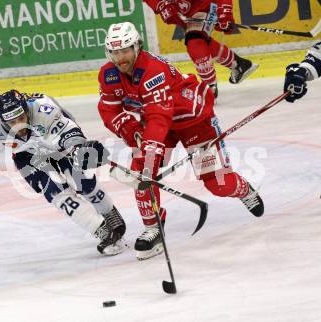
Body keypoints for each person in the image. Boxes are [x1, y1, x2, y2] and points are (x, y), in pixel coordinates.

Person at [98, 22, 264, 260]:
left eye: (125, 51)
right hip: (160, 122)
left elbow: (158, 117)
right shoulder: (109, 73)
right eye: (114, 52)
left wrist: (150, 150)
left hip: (193, 119)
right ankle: (154, 227)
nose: (120, 58)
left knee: (217, 183)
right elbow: (109, 110)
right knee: (140, 172)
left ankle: (244, 190)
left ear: (137, 47)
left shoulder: (152, 70)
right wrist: (131, 130)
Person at [0, 90, 126, 256]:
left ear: (27, 110)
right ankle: (103, 231)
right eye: (12, 122)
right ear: (2, 120)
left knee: (83, 181)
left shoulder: (44, 110)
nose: (18, 126)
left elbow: (70, 131)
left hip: (57, 143)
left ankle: (109, 212)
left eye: (21, 118)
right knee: (56, 192)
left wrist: (78, 148)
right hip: (27, 156)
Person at [143, 0, 258, 97]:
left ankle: (210, 88)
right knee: (199, 38)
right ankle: (239, 64)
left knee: (195, 39)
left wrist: (225, 11)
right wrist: (160, 4)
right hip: (184, 10)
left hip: (206, 5)